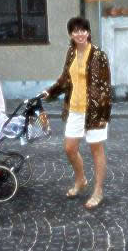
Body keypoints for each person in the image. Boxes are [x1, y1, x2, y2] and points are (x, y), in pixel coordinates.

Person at [43, 16, 112, 209]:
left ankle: (98, 191)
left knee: (96, 149)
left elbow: (105, 87)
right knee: (69, 148)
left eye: (83, 30)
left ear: (88, 32)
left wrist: (101, 114)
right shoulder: (71, 52)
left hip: (94, 111)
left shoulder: (98, 55)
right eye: (75, 31)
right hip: (75, 108)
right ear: (70, 34)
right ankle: (81, 180)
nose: (79, 34)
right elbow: (66, 78)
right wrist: (50, 91)